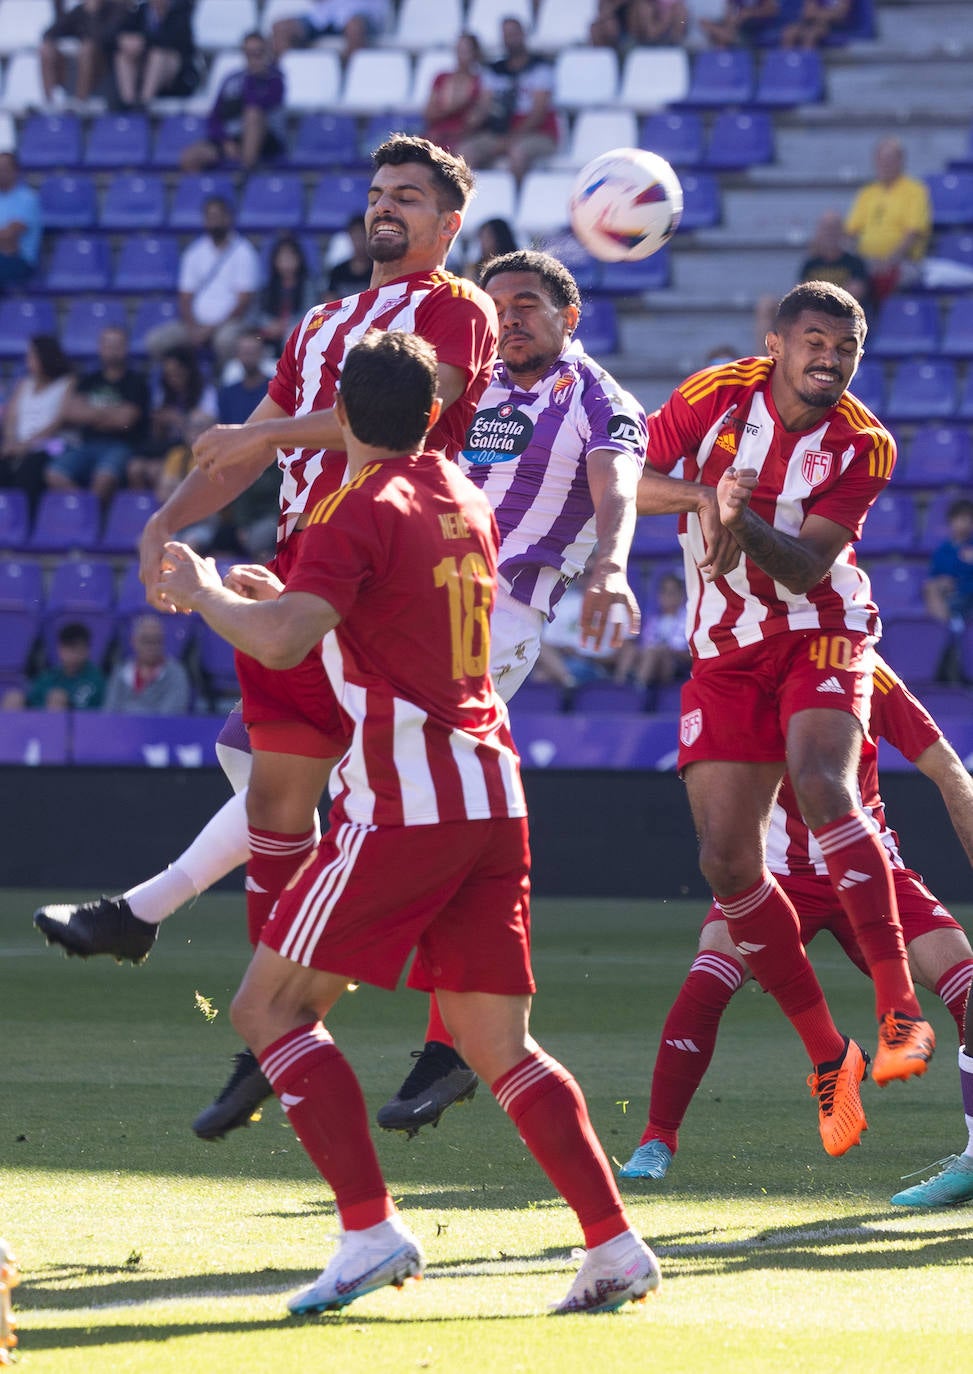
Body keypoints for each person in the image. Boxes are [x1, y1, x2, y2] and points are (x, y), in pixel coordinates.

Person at [153, 326, 662, 1316]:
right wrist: (274, 596)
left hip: (405, 800)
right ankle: (613, 1249)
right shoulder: (458, 495)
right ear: (434, 416)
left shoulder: (354, 512)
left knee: (269, 1011)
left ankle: (367, 1233)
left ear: (341, 416)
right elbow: (366, 619)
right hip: (489, 793)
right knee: (497, 1044)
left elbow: (293, 636)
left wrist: (210, 593)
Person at [33, 134, 500, 1141]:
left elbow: (400, 418)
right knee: (274, 798)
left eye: (410, 198)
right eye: (378, 192)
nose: (388, 208)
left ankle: (448, 1032)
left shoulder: (455, 308)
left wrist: (264, 436)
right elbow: (249, 445)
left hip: (393, 581)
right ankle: (266, 1043)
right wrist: (165, 521)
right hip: (305, 571)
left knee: (418, 808)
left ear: (447, 226)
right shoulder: (323, 317)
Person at [635, 280, 935, 1158]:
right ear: (774, 343)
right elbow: (623, 474)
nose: (829, 358)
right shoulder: (711, 396)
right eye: (812, 340)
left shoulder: (864, 444)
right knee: (725, 862)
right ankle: (826, 1055)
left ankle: (896, 1013)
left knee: (819, 785)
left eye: (845, 347)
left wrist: (740, 517)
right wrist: (697, 501)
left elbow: (807, 569)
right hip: (724, 651)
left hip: (822, 630)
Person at [620, 655, 973, 1178]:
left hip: (869, 866)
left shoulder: (858, 665)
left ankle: (970, 1155)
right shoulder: (729, 672)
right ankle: (656, 1141)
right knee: (707, 979)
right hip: (775, 874)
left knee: (968, 988)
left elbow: (946, 768)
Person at [145, 196, 261, 367]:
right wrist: (193, 328)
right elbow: (185, 297)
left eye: (218, 216)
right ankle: (178, 386)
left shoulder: (244, 252)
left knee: (225, 341)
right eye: (210, 217)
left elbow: (243, 301)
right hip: (194, 325)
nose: (214, 222)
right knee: (155, 341)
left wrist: (211, 330)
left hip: (229, 324)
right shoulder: (194, 252)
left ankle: (223, 388)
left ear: (228, 218)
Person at [46, 325, 150, 506]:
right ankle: (85, 510)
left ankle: (90, 519)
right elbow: (70, 413)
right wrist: (110, 413)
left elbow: (125, 420)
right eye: (108, 344)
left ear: (126, 347)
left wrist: (91, 413)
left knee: (102, 479)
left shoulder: (137, 382)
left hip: (120, 445)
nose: (112, 350)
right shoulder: (88, 379)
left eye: (117, 345)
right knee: (54, 474)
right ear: (100, 347)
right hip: (86, 444)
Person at [457, 18, 560, 184]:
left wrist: (510, 139)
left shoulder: (541, 68)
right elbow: (484, 107)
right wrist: (471, 122)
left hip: (539, 133)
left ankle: (517, 202)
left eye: (514, 33)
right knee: (465, 152)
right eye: (506, 34)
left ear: (523, 34)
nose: (510, 38)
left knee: (517, 153)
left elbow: (538, 113)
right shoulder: (494, 71)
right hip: (500, 133)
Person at [179, 33, 285, 173]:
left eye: (258, 53)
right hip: (231, 138)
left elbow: (258, 103)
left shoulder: (275, 80)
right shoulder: (231, 79)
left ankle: (245, 174)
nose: (253, 58)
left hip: (264, 141)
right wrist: (225, 141)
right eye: (249, 53)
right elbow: (215, 116)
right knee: (190, 157)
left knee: (253, 114)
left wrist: (253, 78)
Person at [844, 137, 931, 304]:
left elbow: (913, 234)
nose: (885, 165)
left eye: (890, 160)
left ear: (901, 161)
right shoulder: (867, 193)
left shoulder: (915, 191)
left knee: (887, 278)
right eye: (881, 160)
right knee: (842, 276)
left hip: (904, 261)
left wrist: (889, 261)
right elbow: (850, 234)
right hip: (867, 261)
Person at [126, 346, 218, 493]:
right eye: (169, 375)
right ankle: (142, 508)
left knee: (156, 471)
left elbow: (206, 428)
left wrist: (179, 420)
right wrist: (158, 424)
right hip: (165, 446)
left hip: (190, 448)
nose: (173, 379)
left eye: (177, 374)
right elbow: (156, 437)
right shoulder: (163, 393)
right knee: (135, 468)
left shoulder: (205, 393)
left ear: (187, 371)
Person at [0, 334, 75, 515]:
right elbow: (12, 417)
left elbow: (58, 422)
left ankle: (26, 520)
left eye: (31, 355)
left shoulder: (67, 383)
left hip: (55, 443)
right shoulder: (23, 384)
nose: (28, 360)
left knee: (32, 465)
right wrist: (11, 441)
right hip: (20, 443)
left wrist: (27, 445)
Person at [613, 571, 691, 699]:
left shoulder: (689, 618)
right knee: (630, 649)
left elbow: (691, 655)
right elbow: (645, 645)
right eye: (664, 592)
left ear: (681, 595)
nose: (667, 597)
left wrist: (667, 650)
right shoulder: (654, 620)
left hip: (676, 666)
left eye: (672, 593)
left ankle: (638, 694)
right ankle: (619, 688)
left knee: (653, 652)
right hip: (652, 661)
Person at [40, 0, 129, 108]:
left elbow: (103, 39)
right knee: (46, 49)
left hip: (105, 65)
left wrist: (93, 13)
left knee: (87, 49)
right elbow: (50, 33)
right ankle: (50, 103)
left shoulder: (115, 10)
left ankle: (80, 102)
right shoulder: (79, 11)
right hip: (77, 64)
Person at [1, 621, 105, 713]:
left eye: (78, 649)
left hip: (78, 730)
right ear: (60, 649)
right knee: (13, 698)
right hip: (39, 725)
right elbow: (31, 701)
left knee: (57, 698)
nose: (73, 655)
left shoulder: (95, 678)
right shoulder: (49, 676)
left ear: (87, 650)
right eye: (69, 648)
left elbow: (92, 711)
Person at [924, 496, 973, 685]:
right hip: (949, 601)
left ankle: (952, 634)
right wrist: (944, 583)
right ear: (951, 522)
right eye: (959, 519)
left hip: (968, 598)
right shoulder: (942, 551)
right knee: (931, 589)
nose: (963, 524)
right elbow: (936, 576)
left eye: (968, 519)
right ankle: (948, 629)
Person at [112, 0, 198, 109]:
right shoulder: (141, 11)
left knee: (157, 55)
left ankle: (144, 103)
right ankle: (128, 104)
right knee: (122, 57)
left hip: (175, 73)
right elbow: (117, 34)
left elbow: (173, 39)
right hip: (143, 68)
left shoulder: (181, 10)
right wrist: (124, 40)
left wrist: (143, 41)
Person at [104, 613, 191, 715]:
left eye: (157, 641)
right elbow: (109, 712)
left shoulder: (176, 674)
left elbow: (170, 715)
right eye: (146, 640)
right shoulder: (121, 673)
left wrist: (131, 713)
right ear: (134, 641)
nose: (152, 647)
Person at [270, 0, 391, 62]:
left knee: (354, 28)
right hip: (325, 16)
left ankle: (346, 78)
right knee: (281, 28)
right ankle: (285, 77)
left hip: (362, 15)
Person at [422, 32, 484, 155]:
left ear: (475, 54)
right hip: (437, 134)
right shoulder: (441, 77)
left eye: (466, 51)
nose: (461, 55)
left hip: (461, 138)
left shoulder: (480, 82)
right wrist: (458, 105)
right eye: (459, 50)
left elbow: (474, 121)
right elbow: (429, 114)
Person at [257, 235, 316, 354]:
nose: (286, 262)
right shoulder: (267, 286)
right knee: (251, 340)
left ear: (299, 259)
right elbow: (257, 314)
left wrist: (286, 325)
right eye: (282, 258)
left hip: (297, 329)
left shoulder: (308, 285)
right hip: (271, 330)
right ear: (275, 261)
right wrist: (271, 324)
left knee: (291, 336)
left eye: (290, 257)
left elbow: (310, 312)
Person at [0, 152, 42, 290]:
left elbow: (9, 237)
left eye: (4, 169)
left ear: (15, 171)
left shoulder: (27, 199)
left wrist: (6, 239)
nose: (1, 173)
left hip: (19, 261)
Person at [590, 0, 690, 48]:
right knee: (598, 26)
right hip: (625, 24)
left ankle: (672, 44)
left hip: (657, 24)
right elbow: (603, 10)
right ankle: (606, 61)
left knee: (644, 9)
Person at [322, 216, 371, 300]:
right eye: (356, 236)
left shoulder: (377, 270)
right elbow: (329, 300)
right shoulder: (338, 271)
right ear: (350, 236)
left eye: (363, 235)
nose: (359, 241)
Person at [698, 0, 780, 47]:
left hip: (759, 28)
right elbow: (729, 14)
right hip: (740, 28)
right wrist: (730, 27)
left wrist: (750, 13)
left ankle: (726, 36)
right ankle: (725, 37)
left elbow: (772, 10)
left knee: (725, 36)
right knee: (705, 23)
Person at [464, 216, 517, 284]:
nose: (482, 242)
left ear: (499, 238)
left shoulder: (515, 266)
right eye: (480, 237)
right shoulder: (474, 268)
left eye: (486, 237)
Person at [780, 0, 852, 48]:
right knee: (789, 33)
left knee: (810, 35)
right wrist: (829, 13)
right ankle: (786, 67)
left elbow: (841, 14)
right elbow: (807, 12)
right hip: (811, 23)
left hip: (833, 26)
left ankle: (806, 68)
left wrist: (817, 13)